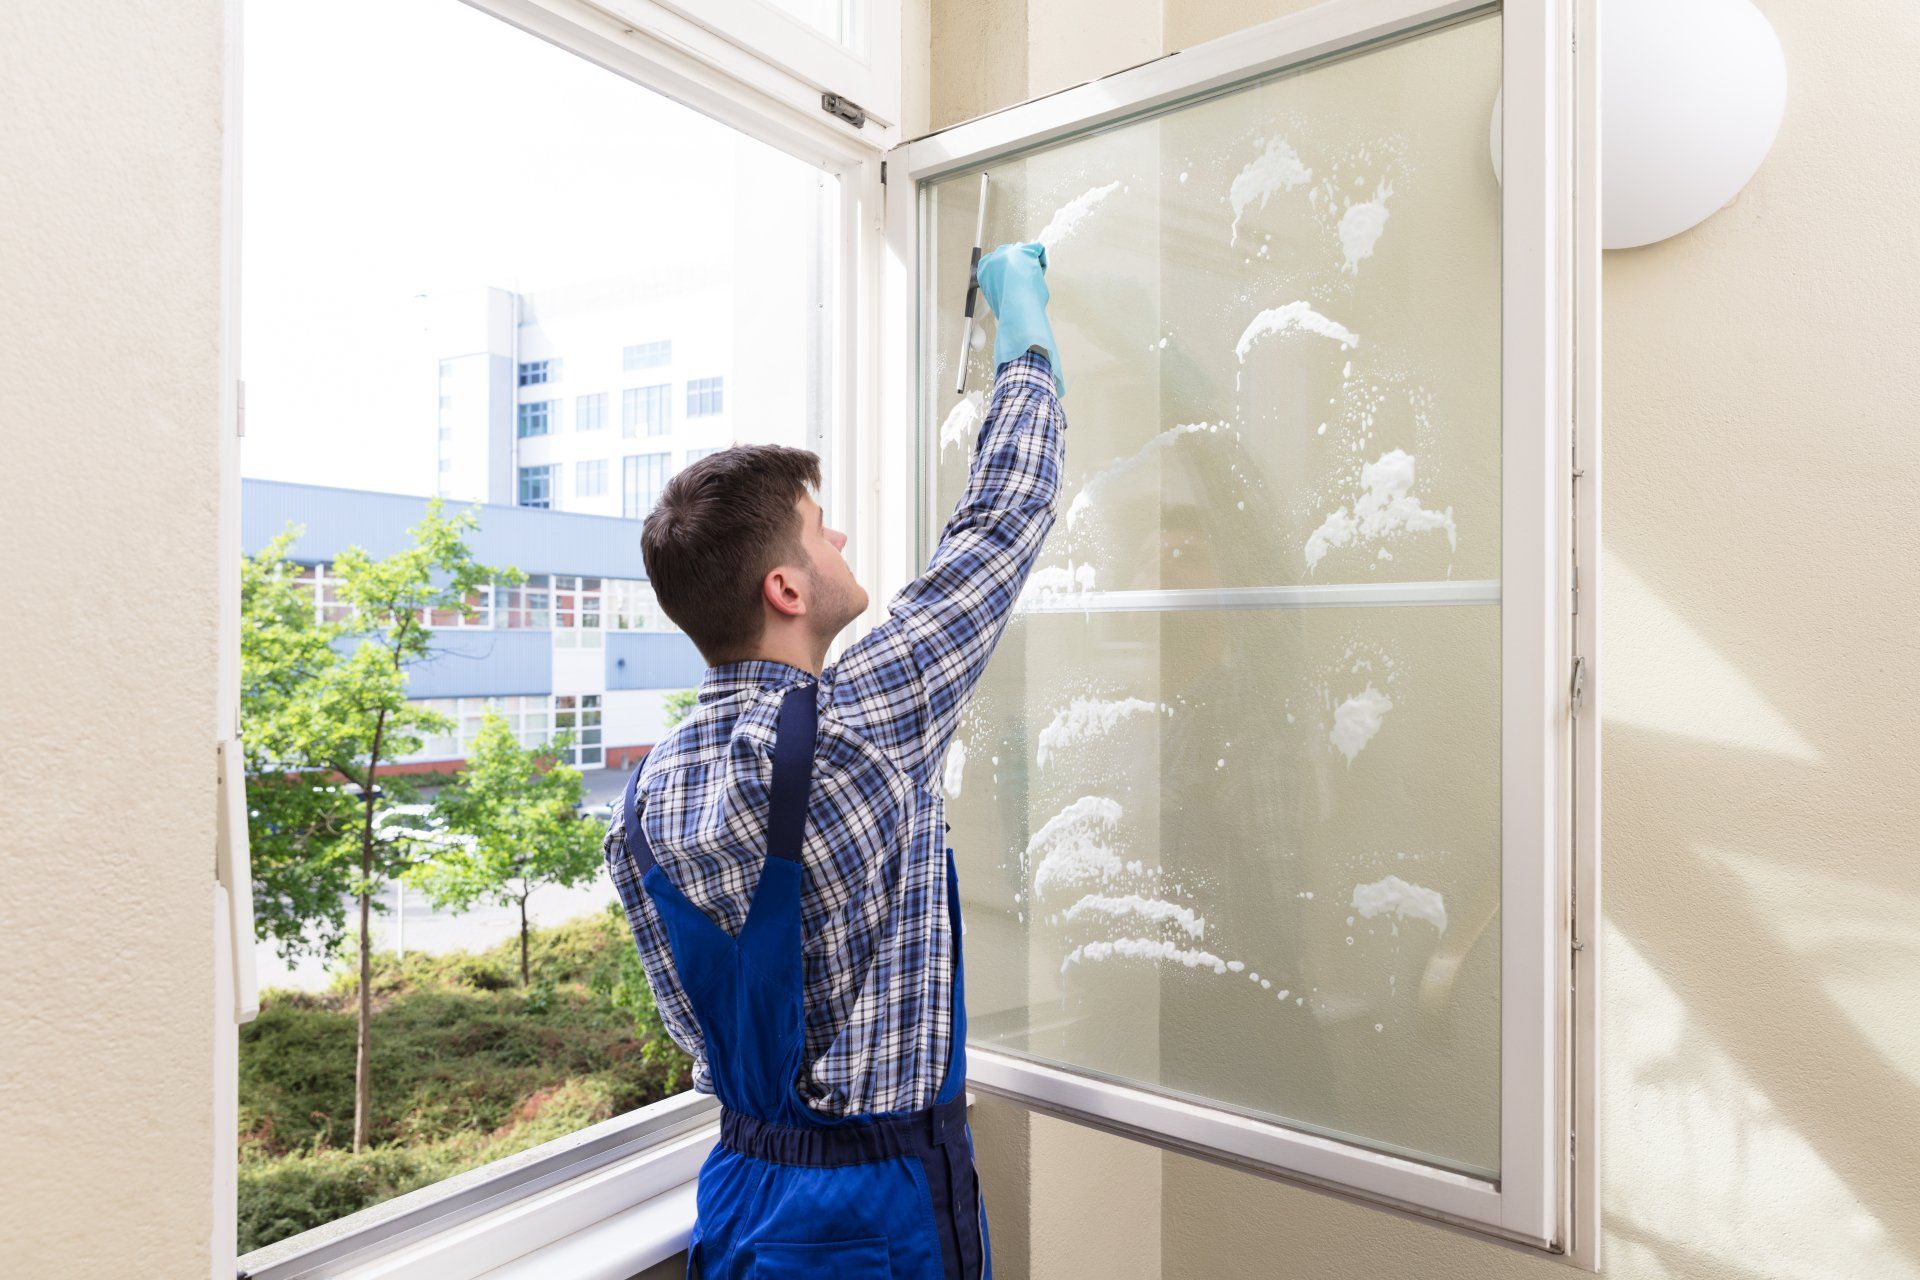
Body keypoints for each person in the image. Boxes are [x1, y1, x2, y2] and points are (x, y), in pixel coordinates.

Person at [605, 241, 1065, 1279]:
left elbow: (697, 1022)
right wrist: (1025, 329)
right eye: (822, 528)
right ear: (785, 586)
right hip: (876, 1205)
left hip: (740, 1192)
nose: (843, 534)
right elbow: (1004, 518)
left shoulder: (643, 797)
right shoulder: (858, 723)